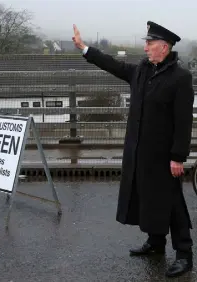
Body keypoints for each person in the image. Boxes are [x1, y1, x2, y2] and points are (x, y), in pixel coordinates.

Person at [72, 21, 194, 278]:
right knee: (148, 198)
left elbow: (183, 122)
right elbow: (114, 65)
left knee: (172, 202)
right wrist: (85, 49)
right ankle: (156, 243)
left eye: (149, 43)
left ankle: (184, 254)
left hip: (164, 155)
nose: (145, 47)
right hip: (140, 151)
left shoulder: (180, 78)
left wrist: (177, 157)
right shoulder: (141, 70)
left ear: (164, 47)